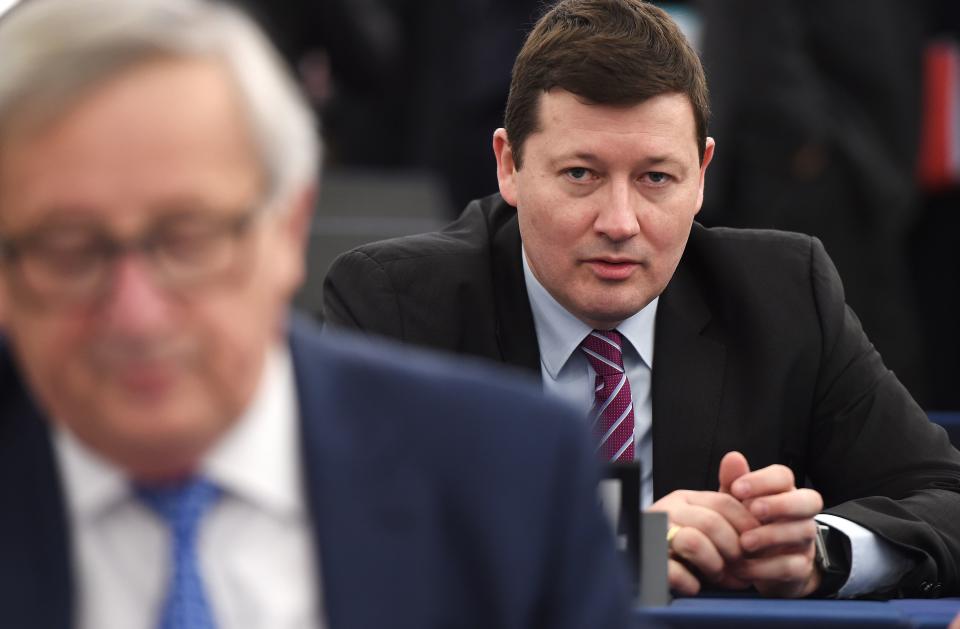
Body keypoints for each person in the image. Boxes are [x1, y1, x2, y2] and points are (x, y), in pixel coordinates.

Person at [0, 1, 632, 628]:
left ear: (289, 228)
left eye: (187, 240)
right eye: (69, 250)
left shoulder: (512, 477)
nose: (135, 315)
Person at [323, 0, 960, 600]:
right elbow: (340, 531)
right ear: (508, 166)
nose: (621, 221)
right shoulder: (394, 302)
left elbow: (945, 496)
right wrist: (631, 544)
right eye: (582, 175)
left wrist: (819, 551)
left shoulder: (785, 292)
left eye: (656, 178)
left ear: (703, 174)